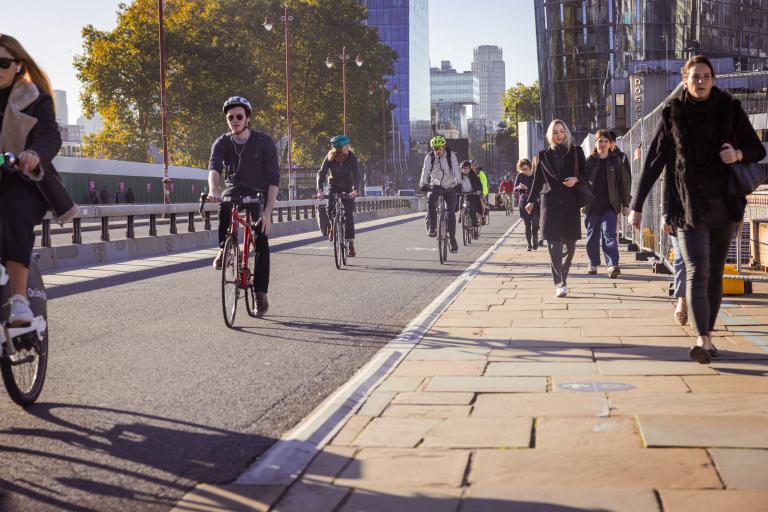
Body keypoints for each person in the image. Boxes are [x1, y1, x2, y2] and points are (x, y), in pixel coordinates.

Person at [629, 55, 766, 364]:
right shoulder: (672, 115)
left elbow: (758, 150)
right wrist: (636, 207)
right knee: (696, 269)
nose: (701, 81)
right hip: (687, 207)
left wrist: (738, 152)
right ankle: (702, 337)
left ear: (713, 80)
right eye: (695, 77)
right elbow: (653, 163)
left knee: (715, 273)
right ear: (685, 79)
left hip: (724, 206)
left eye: (706, 76)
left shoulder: (730, 109)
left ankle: (708, 334)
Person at [0, 34, 76, 326]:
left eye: (3, 63)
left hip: (26, 181)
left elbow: (49, 134)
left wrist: (34, 154)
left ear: (18, 66)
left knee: (12, 210)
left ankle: (19, 300)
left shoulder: (34, 98)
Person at [208, 96, 280, 317]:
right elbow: (214, 168)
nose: (235, 121)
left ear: (247, 118)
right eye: (230, 118)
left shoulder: (264, 141)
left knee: (261, 242)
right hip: (235, 189)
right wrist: (213, 190)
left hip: (259, 193)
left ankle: (260, 294)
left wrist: (267, 213)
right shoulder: (222, 142)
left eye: (239, 116)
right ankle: (225, 248)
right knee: (224, 205)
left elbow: (274, 178)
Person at [525, 119, 586, 297]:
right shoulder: (543, 154)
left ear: (566, 132)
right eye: (555, 132)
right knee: (554, 244)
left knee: (570, 244)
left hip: (570, 202)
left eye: (562, 131)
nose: (559, 135)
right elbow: (537, 180)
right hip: (549, 203)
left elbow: (585, 173)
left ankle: (563, 274)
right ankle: (560, 282)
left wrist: (576, 180)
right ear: (550, 135)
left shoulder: (576, 151)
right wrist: (531, 200)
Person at [584, 129, 631, 278]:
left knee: (609, 235)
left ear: (610, 144)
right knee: (592, 236)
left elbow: (624, 184)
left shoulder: (616, 161)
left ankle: (612, 265)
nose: (603, 144)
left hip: (610, 205)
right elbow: (580, 181)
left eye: (606, 141)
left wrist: (626, 204)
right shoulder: (589, 161)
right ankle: (593, 262)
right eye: (600, 141)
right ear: (595, 143)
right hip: (592, 206)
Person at [316, 135, 361, 257]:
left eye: (348, 145)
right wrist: (320, 190)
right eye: (345, 146)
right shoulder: (330, 157)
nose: (348, 147)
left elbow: (357, 174)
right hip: (334, 186)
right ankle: (332, 225)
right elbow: (321, 174)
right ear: (339, 148)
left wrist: (355, 190)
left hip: (348, 187)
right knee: (329, 208)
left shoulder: (352, 157)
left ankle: (351, 244)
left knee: (349, 215)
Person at [419, 135, 461, 252]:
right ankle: (433, 226)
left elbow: (457, 169)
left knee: (451, 213)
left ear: (444, 146)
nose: (437, 150)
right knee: (431, 200)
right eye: (435, 148)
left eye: (439, 148)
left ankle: (452, 239)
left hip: (450, 185)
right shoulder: (430, 157)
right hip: (436, 184)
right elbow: (425, 170)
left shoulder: (451, 155)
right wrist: (423, 183)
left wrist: (459, 183)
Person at [515, 159, 540, 251]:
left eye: (526, 169)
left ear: (530, 167)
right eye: (522, 169)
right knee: (527, 224)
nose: (524, 171)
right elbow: (515, 188)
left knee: (535, 221)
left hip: (535, 202)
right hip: (524, 202)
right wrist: (519, 187)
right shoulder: (520, 175)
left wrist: (527, 188)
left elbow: (539, 189)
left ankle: (535, 238)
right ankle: (529, 244)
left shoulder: (535, 176)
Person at [458, 160, 483, 239]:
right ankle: (460, 214)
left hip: (472, 194)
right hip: (462, 194)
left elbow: (479, 184)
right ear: (461, 169)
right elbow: (454, 184)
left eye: (467, 168)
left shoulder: (474, 176)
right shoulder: (458, 177)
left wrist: (478, 191)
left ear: (469, 169)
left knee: (472, 211)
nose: (465, 170)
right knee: (460, 204)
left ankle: (475, 230)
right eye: (464, 168)